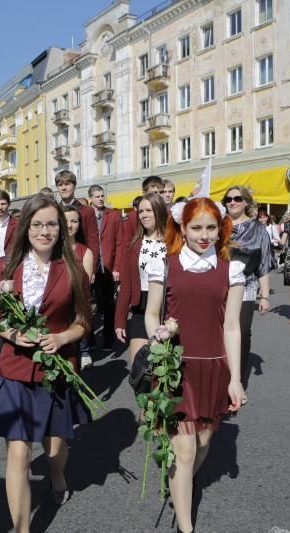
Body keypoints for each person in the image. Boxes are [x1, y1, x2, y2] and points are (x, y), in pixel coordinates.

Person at [0, 195, 91, 533]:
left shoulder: (72, 267)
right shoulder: (4, 267)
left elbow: (84, 321)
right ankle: (21, 528)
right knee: (18, 453)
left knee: (54, 447)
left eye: (51, 225)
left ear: (61, 229)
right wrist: (10, 332)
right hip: (13, 368)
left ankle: (57, 473)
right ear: (25, 227)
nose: (44, 231)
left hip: (55, 368)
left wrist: (62, 338)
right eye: (38, 224)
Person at [162, 197, 245, 533]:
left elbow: (232, 327)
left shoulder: (232, 270)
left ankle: (179, 483)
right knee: (183, 450)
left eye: (211, 227)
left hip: (213, 368)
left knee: (203, 443)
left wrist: (236, 378)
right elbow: (152, 312)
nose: (203, 234)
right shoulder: (165, 265)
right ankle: (186, 526)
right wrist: (157, 334)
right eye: (196, 227)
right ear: (183, 228)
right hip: (174, 368)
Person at [224, 186, 273, 380]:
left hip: (246, 285)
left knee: (242, 332)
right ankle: (221, 378)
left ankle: (238, 380)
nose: (233, 202)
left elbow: (263, 264)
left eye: (237, 198)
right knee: (220, 333)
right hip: (219, 286)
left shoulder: (258, 228)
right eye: (228, 199)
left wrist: (265, 296)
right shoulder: (217, 225)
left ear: (246, 202)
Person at [115, 193, 168, 364]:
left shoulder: (173, 242)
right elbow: (127, 284)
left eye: (149, 210)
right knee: (139, 367)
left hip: (168, 308)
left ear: (159, 211)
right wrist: (120, 319)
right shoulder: (135, 243)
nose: (144, 215)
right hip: (140, 308)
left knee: (163, 366)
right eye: (141, 211)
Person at [88, 184, 121, 350]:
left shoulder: (113, 215)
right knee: (87, 305)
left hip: (107, 266)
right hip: (90, 267)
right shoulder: (85, 215)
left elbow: (120, 243)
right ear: (90, 199)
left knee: (108, 304)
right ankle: (89, 338)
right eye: (97, 196)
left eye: (102, 195)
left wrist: (117, 268)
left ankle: (108, 338)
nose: (100, 198)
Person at [63, 205, 95, 368]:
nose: (69, 225)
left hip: (77, 303)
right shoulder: (52, 250)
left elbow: (85, 284)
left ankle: (84, 351)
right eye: (65, 221)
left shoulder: (85, 252)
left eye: (74, 221)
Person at [55, 170, 99, 272]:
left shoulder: (87, 211)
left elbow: (93, 241)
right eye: (60, 185)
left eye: (67, 184)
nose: (63, 188)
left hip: (81, 263)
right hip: (57, 262)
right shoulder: (54, 210)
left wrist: (92, 268)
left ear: (74, 186)